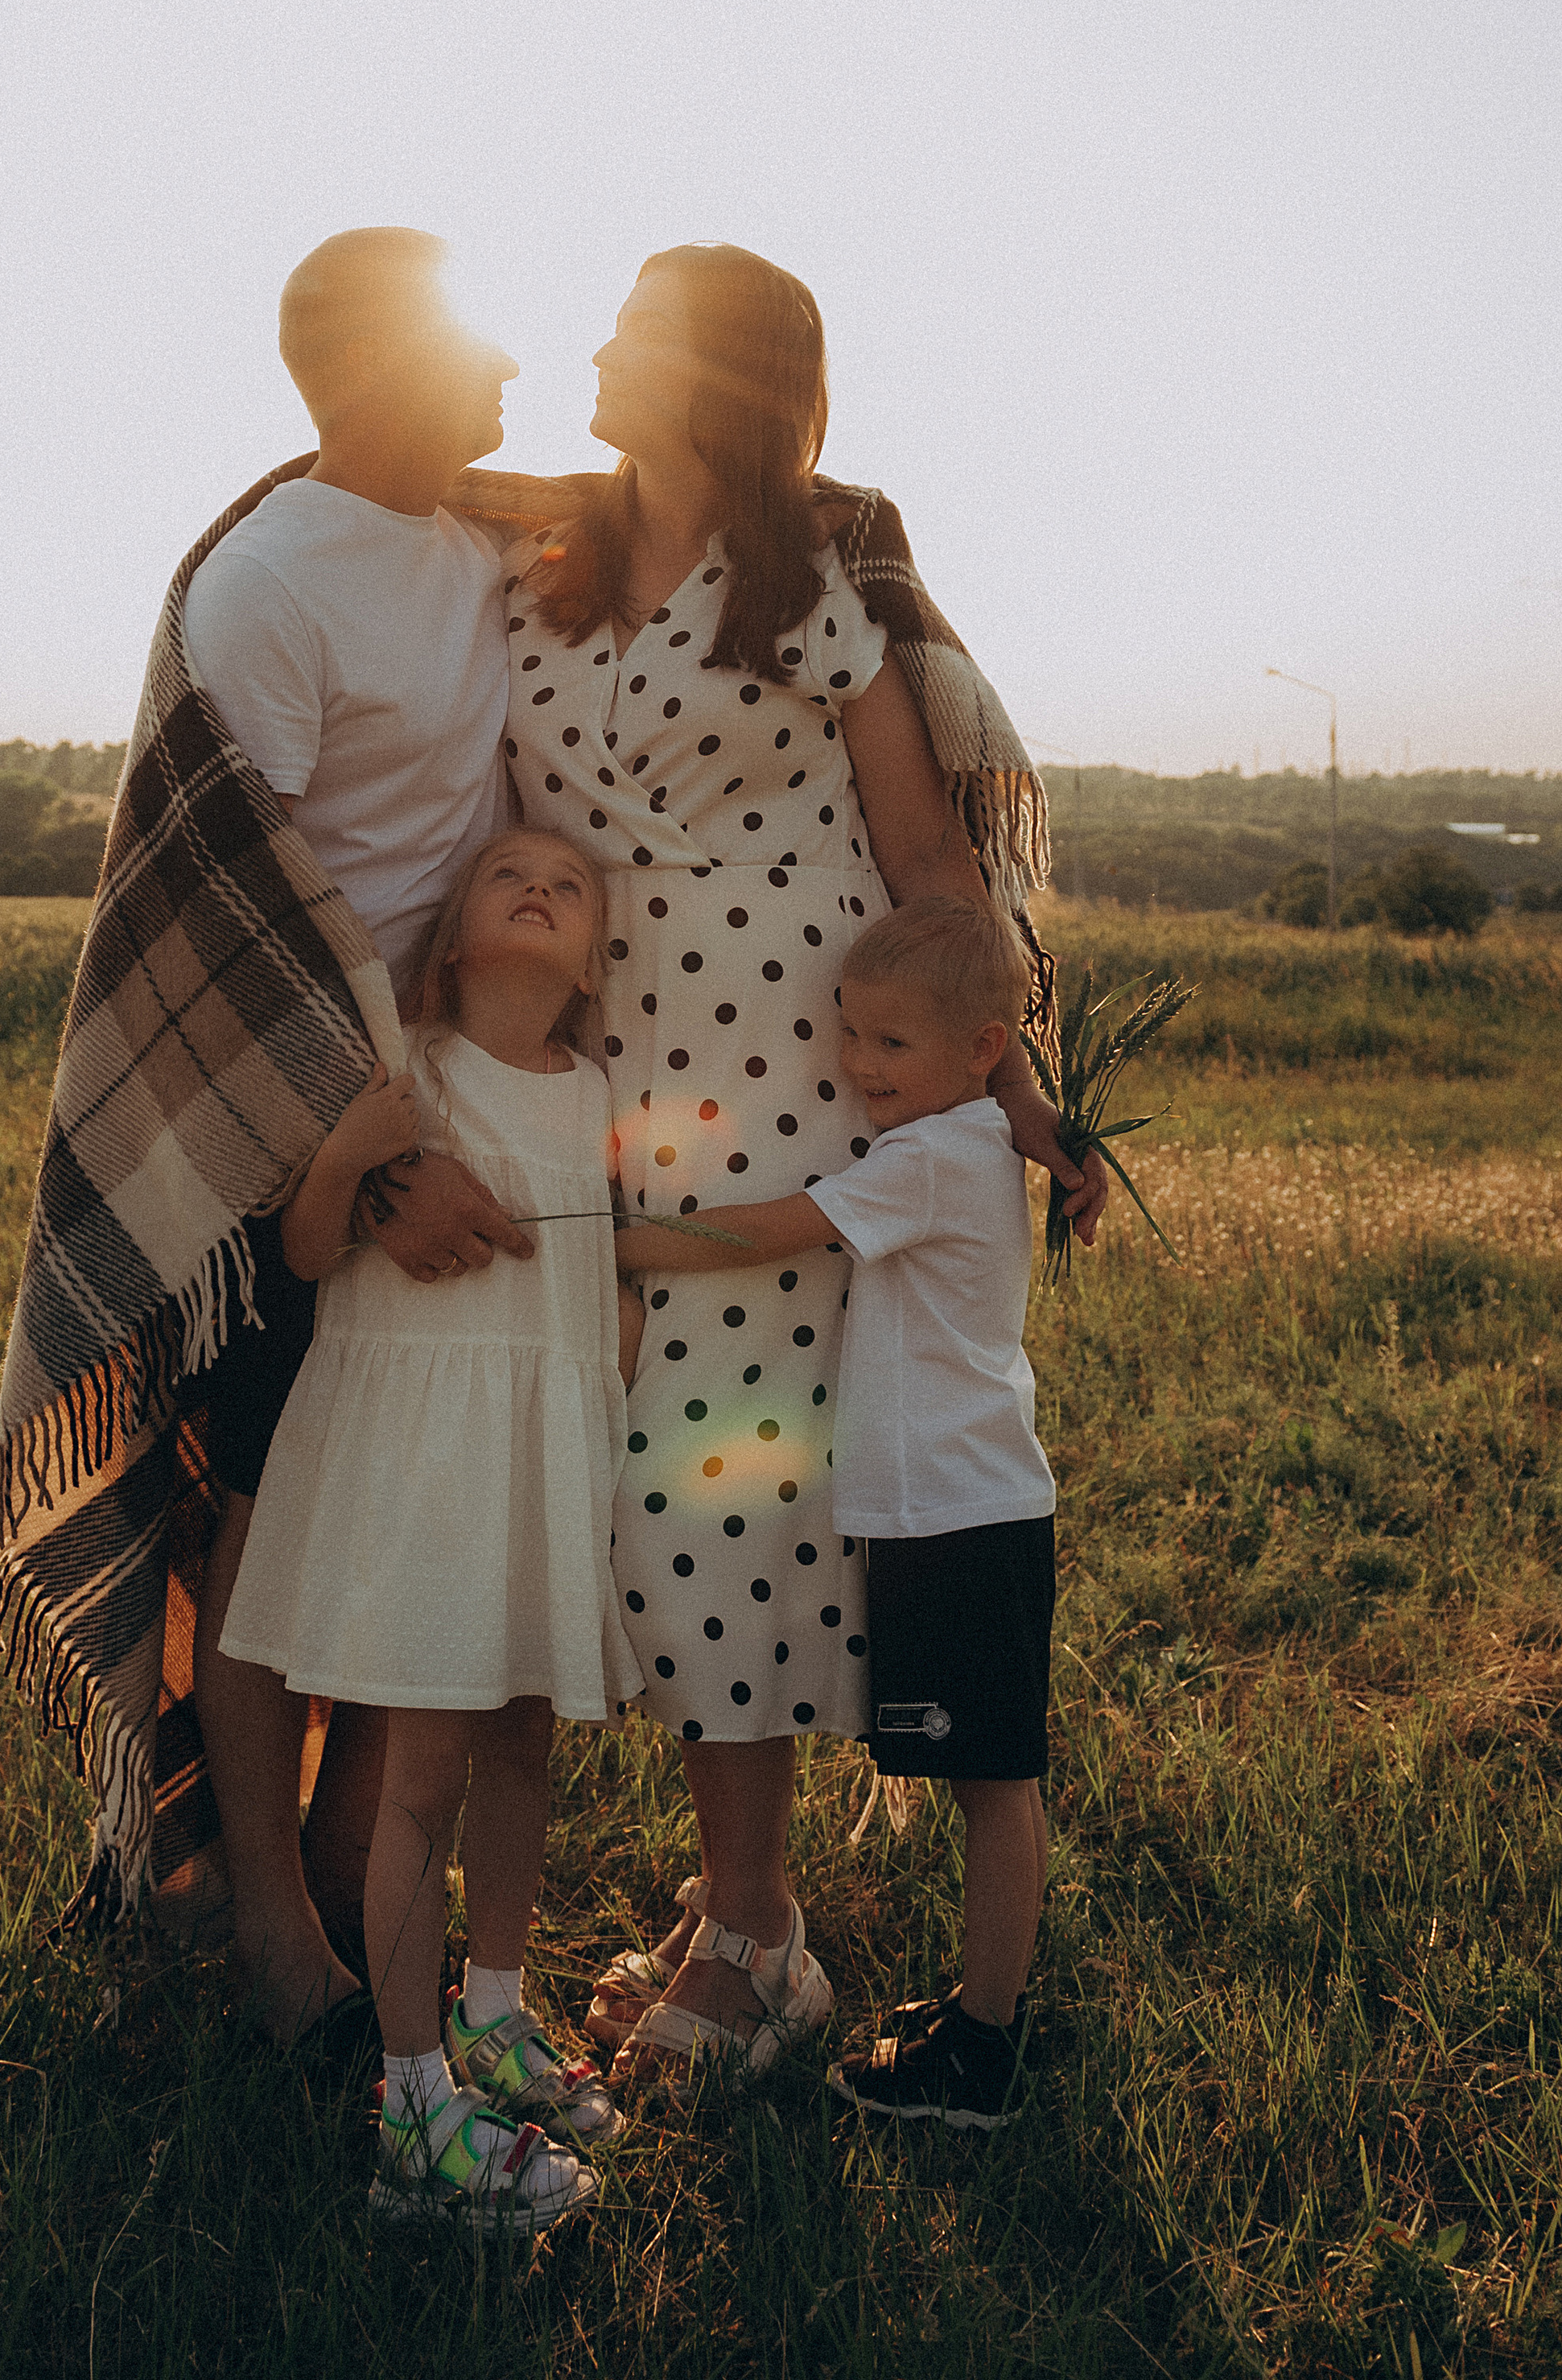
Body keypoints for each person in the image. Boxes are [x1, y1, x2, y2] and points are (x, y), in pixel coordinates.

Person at [493, 242, 1102, 2094]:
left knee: (719, 1502)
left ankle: (758, 1937)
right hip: (627, 1075)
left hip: (812, 1081)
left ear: (719, 371)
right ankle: (734, 1896)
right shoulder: (543, 558)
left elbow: (928, 860)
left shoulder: (813, 582)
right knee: (657, 1496)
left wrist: (1023, 1105)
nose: (591, 341)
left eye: (634, 326)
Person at [180, 227, 538, 2042]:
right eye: (475, 349)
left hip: (453, 1100)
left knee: (403, 1496)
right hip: (296, 1126)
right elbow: (237, 918)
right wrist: (370, 1158)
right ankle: (260, 1911)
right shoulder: (267, 587)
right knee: (264, 1508)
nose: (508, 377)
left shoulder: (466, 536)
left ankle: (341, 1859)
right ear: (391, 370)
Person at [221, 831, 639, 2229]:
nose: (538, 882)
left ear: (590, 967)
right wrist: (347, 1151)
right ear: (452, 941)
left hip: (535, 1462)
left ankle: (498, 2009)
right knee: (422, 1770)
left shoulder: (600, 1094)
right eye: (506, 873)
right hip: (425, 1470)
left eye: (569, 885)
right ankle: (411, 2102)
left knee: (523, 1738)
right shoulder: (416, 1074)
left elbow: (610, 1277)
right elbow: (305, 1245)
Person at [616, 895, 1053, 2131]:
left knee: (991, 1780)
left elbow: (779, 1225)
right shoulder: (958, 1140)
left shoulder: (935, 1154)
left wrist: (632, 1242)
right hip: (958, 1507)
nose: (861, 1067)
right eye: (853, 1036)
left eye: (892, 1044)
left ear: (982, 1049)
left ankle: (980, 2048)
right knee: (989, 1771)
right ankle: (979, 2010)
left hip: (958, 1516)